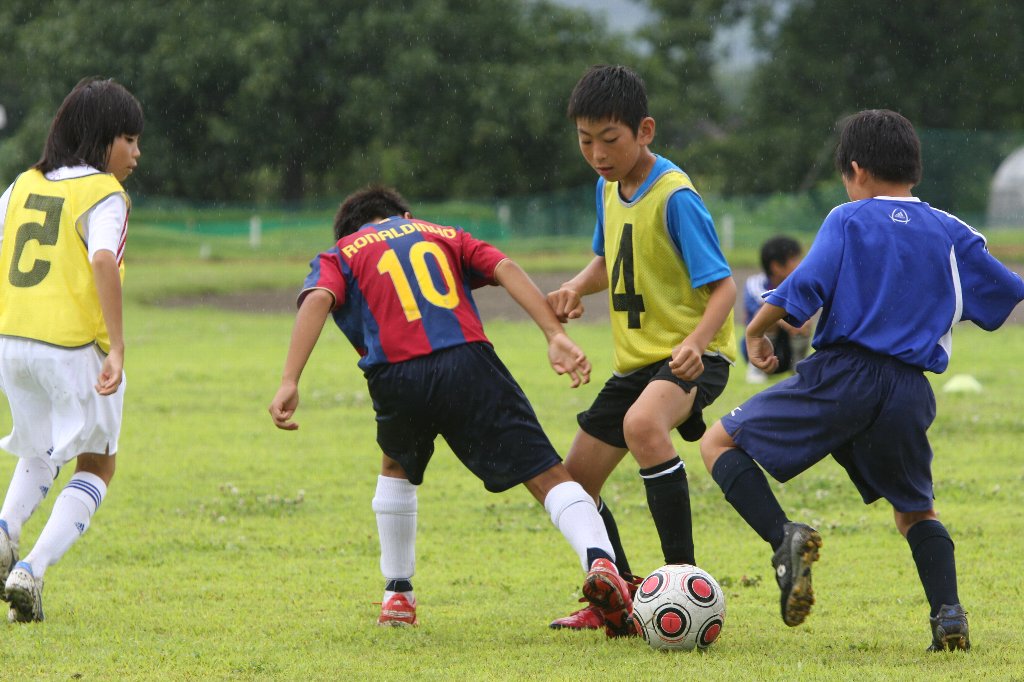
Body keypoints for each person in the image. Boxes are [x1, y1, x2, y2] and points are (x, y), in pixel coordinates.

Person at [700, 109, 1024, 651]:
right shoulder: (952, 231)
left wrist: (756, 329)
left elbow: (804, 285)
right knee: (915, 510)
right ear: (914, 167)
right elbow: (1005, 291)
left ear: (855, 170)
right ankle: (948, 614)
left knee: (717, 442)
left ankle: (784, 539)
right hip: (908, 390)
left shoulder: (848, 219)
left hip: (843, 376)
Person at [268, 185, 634, 633]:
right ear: (405, 215)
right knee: (545, 472)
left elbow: (318, 299)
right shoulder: (443, 233)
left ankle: (397, 594)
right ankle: (600, 561)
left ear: (349, 231)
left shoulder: (342, 252)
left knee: (396, 467)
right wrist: (553, 334)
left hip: (396, 373)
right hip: (468, 360)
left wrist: (290, 380)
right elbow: (504, 267)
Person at [546, 65, 737, 635]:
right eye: (586, 141)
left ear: (644, 131)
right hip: (637, 363)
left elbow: (725, 287)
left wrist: (696, 343)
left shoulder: (675, 197)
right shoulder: (607, 188)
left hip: (695, 357)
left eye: (610, 139)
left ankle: (685, 584)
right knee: (574, 484)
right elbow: (611, 258)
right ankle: (621, 597)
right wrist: (576, 286)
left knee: (642, 425)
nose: (597, 154)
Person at [0, 77, 143, 622]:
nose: (136, 152)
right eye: (129, 138)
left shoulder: (23, 183)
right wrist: (117, 348)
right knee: (98, 462)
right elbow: (104, 259)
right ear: (101, 137)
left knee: (41, 447)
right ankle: (30, 570)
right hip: (72, 344)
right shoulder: (105, 193)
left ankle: (4, 530)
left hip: (13, 340)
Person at [742, 236, 811, 383]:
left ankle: (798, 368)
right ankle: (757, 369)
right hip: (756, 348)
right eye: (795, 259)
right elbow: (765, 308)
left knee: (805, 319)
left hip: (789, 349)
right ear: (776, 266)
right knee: (768, 316)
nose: (801, 263)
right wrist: (790, 325)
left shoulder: (799, 285)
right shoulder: (755, 283)